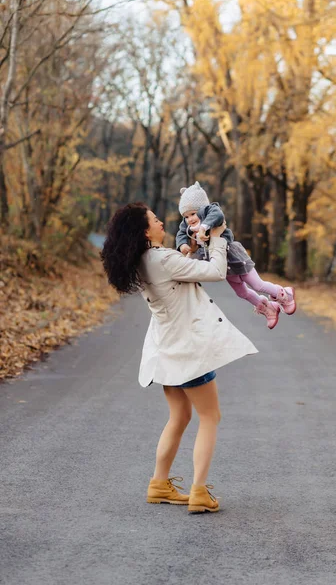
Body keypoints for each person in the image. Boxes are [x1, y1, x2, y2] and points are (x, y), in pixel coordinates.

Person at [101, 202, 258, 514]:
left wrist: (188, 252)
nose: (162, 224)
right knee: (210, 417)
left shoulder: (145, 260)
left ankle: (159, 484)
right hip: (188, 352)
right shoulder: (162, 258)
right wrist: (219, 237)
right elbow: (214, 270)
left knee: (181, 416)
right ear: (145, 231)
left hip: (169, 353)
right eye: (156, 220)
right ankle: (199, 491)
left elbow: (177, 272)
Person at [176, 182, 296, 330]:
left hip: (234, 255)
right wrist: (182, 245)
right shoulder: (187, 225)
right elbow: (181, 233)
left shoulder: (209, 211)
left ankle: (285, 294)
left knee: (257, 284)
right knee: (241, 292)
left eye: (193, 214)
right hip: (222, 262)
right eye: (186, 216)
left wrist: (204, 226)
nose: (190, 219)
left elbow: (218, 215)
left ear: (201, 209)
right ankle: (268, 307)